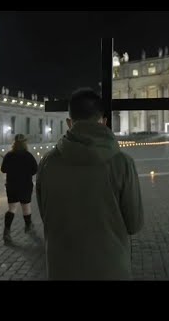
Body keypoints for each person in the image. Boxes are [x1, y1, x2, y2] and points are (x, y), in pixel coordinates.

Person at [36, 88, 144, 280]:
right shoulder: (122, 163)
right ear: (103, 121)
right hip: (110, 268)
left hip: (62, 268)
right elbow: (134, 224)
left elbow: (46, 215)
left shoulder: (47, 163)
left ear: (69, 123)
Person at [0, 134, 38, 244]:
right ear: (25, 143)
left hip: (12, 186)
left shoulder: (9, 155)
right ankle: (28, 226)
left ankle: (7, 232)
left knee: (12, 208)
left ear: (14, 143)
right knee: (26, 207)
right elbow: (34, 170)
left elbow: (3, 169)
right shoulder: (28, 156)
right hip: (25, 185)